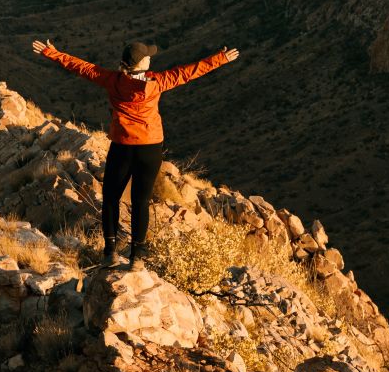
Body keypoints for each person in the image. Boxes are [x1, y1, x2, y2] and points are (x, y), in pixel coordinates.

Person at [31, 37, 238, 271]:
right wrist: (219, 59)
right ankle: (136, 258)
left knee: (111, 198)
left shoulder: (113, 80)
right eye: (148, 56)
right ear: (141, 64)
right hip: (150, 148)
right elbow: (188, 72)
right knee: (141, 202)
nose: (151, 58)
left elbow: (83, 67)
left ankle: (109, 254)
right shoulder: (157, 82)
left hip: (122, 146)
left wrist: (53, 53)